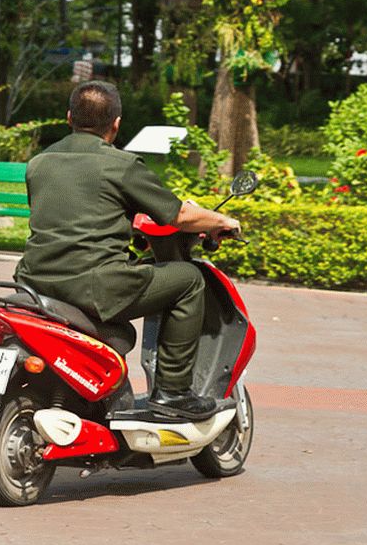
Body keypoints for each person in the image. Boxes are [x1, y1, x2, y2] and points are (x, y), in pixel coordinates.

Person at [14, 81, 240, 419]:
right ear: (116, 123)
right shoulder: (120, 164)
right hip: (94, 286)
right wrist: (220, 219)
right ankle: (173, 392)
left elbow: (73, 213)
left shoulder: (39, 163)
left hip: (32, 283)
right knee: (190, 279)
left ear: (69, 117)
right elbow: (177, 215)